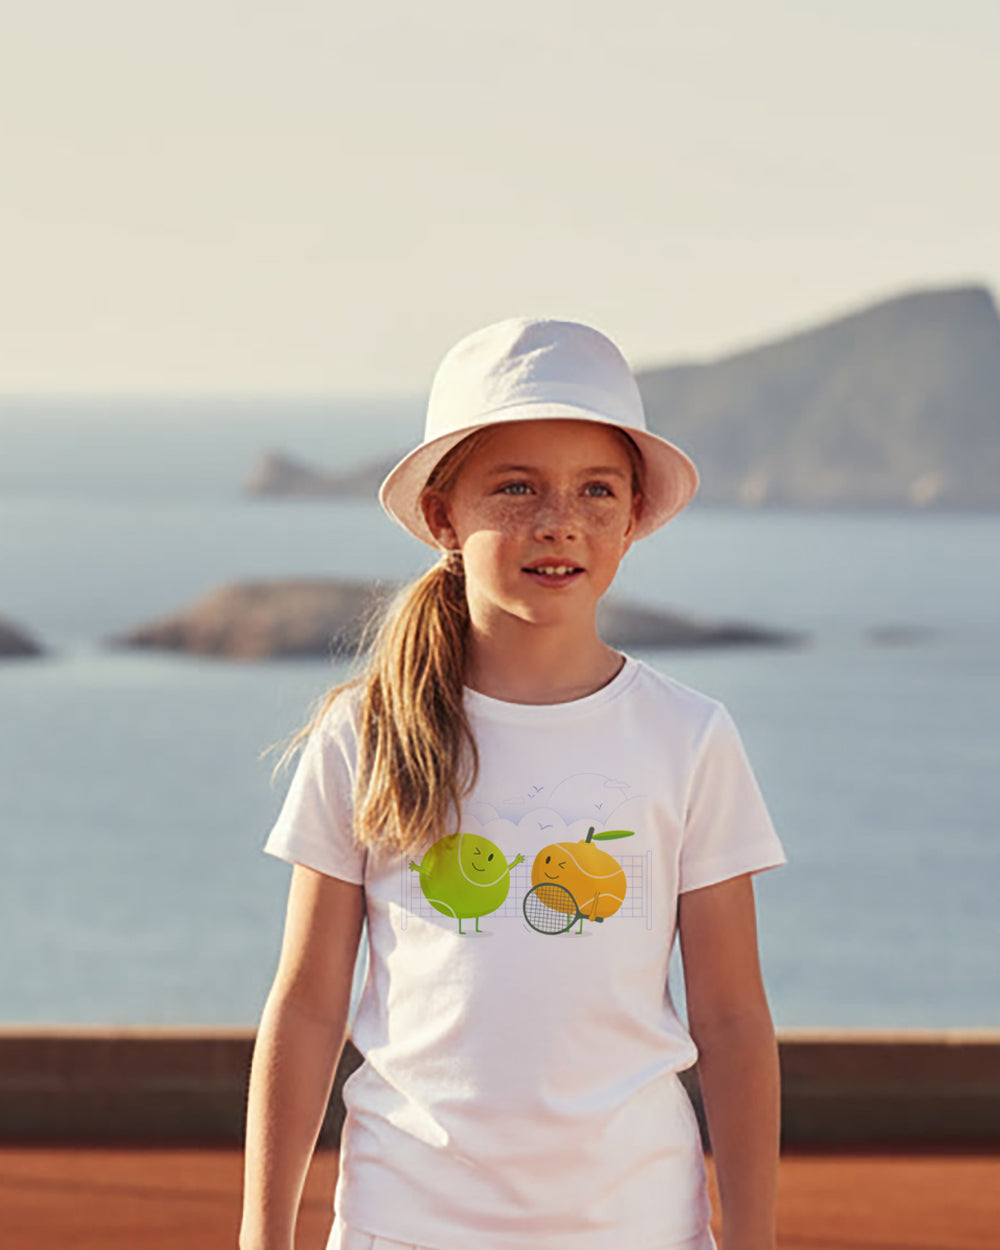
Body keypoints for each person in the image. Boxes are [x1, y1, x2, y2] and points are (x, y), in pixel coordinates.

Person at [240, 316, 788, 1250]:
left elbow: (733, 1019)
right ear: (444, 516)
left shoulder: (688, 737)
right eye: (517, 487)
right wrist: (262, 1235)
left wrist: (753, 1238)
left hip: (638, 1229)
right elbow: (306, 1004)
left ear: (633, 517)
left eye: (596, 490)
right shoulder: (365, 732)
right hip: (401, 1227)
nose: (558, 520)